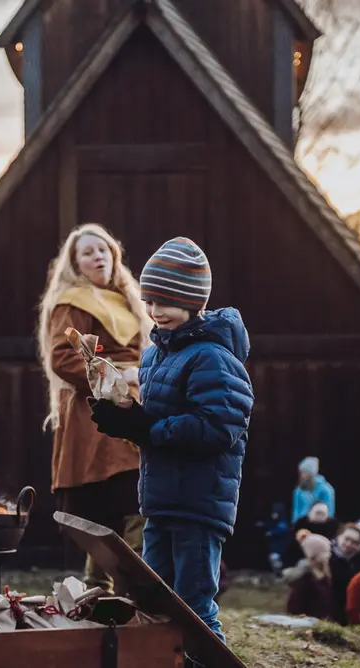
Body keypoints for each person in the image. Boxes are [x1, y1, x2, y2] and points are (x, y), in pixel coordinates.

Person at [89, 237, 253, 643]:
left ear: (194, 302)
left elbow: (216, 427)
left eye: (166, 302)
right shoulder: (156, 354)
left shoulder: (213, 357)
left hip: (199, 503)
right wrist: (127, 418)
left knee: (193, 604)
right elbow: (158, 422)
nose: (154, 310)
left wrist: (145, 429)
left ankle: (211, 658)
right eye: (149, 300)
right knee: (154, 596)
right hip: (161, 498)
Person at [36, 222, 151, 594]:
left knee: (127, 498)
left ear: (113, 255)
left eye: (102, 249)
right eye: (87, 252)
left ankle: (102, 590)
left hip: (134, 406)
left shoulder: (130, 300)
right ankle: (127, 591)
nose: (97, 256)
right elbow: (63, 358)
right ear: (76, 264)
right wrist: (118, 376)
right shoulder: (73, 302)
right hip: (97, 415)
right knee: (125, 498)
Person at [286, 533, 336, 621]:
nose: (328, 556)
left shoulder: (332, 573)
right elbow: (294, 609)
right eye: (324, 553)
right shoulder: (304, 580)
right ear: (313, 556)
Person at [330, 523, 360, 625]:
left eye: (354, 542)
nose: (349, 544)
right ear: (339, 536)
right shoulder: (326, 554)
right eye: (346, 539)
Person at [292, 456, 335, 523]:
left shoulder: (325, 489)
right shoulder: (299, 490)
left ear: (311, 473)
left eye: (304, 472)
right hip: (302, 525)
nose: (301, 475)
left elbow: (329, 510)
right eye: (301, 472)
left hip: (319, 524)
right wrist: (295, 525)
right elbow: (296, 510)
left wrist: (327, 526)